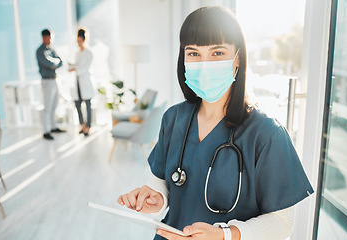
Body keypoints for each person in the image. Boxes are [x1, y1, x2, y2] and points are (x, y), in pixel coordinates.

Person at [118, 6, 314, 240]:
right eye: (193, 53)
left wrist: (225, 235)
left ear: (237, 57)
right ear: (183, 58)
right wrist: (157, 199)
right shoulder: (173, 119)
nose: (204, 63)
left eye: (217, 53)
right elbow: (161, 183)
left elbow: (282, 223)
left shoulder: (267, 134)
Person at [36, 29, 66, 140]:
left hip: (55, 79)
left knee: (54, 105)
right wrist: (54, 62)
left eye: (51, 38)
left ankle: (53, 127)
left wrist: (54, 63)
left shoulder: (52, 49)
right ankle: (46, 131)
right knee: (47, 107)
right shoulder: (40, 51)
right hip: (47, 81)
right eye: (48, 38)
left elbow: (60, 61)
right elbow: (48, 64)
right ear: (44, 37)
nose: (50, 40)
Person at [68, 28, 95, 136]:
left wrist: (75, 69)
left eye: (80, 41)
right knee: (77, 104)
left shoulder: (89, 53)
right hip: (78, 82)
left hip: (85, 81)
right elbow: (77, 65)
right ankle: (82, 125)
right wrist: (72, 66)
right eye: (77, 41)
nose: (78, 43)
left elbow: (85, 68)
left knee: (88, 104)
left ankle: (88, 126)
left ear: (84, 40)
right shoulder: (77, 53)